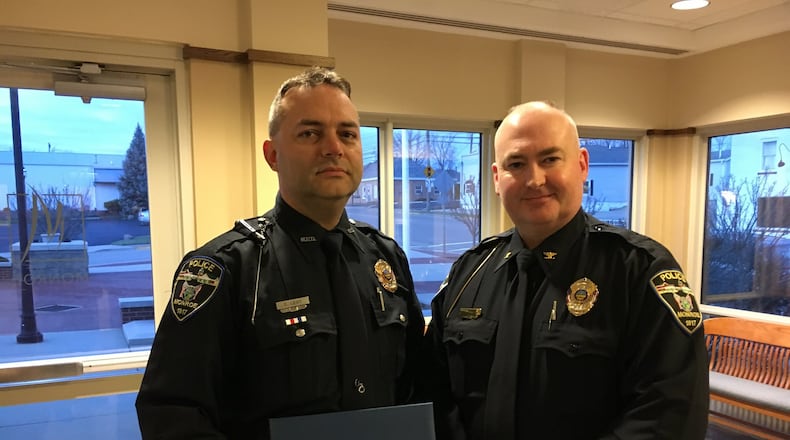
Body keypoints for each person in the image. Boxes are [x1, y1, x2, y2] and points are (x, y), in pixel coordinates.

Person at [136, 67, 425, 438]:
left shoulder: (385, 259)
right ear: (272, 155)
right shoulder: (226, 269)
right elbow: (172, 414)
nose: (333, 147)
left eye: (347, 134)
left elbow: (420, 383)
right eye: (310, 133)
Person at [423, 101, 709, 439]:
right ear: (498, 179)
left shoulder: (638, 270)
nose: (535, 179)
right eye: (517, 163)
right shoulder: (470, 271)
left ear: (582, 164)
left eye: (549, 159)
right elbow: (432, 395)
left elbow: (668, 415)